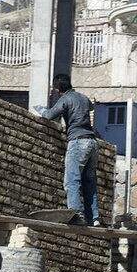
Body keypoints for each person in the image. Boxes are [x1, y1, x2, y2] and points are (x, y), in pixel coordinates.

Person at [35, 73, 101, 226]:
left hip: (78, 142)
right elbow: (90, 106)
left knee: (72, 181)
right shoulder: (83, 97)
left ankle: (76, 215)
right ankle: (95, 218)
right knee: (89, 182)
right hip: (92, 142)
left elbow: (50, 115)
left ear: (57, 90)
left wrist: (40, 109)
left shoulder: (65, 99)